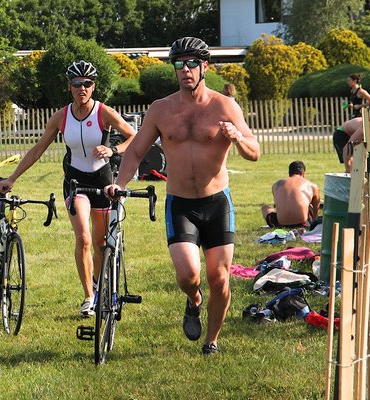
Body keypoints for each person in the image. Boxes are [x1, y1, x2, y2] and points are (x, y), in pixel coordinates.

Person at [104, 37, 260, 356]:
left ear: (204, 66)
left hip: (217, 203)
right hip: (181, 205)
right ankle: (193, 300)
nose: (185, 69)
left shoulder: (224, 106)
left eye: (191, 63)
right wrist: (119, 183)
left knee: (219, 278)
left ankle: (211, 341)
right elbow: (135, 152)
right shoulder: (161, 109)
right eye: (179, 64)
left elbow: (254, 152)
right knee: (189, 275)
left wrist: (238, 139)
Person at [0, 60, 136, 317]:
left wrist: (113, 149)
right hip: (75, 183)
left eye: (87, 84)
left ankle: (99, 284)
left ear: (93, 87)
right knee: (83, 237)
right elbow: (38, 150)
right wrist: (12, 178)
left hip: (103, 181)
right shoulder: (61, 116)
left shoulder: (103, 112)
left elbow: (133, 136)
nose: (82, 88)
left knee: (101, 243)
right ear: (69, 87)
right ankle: (89, 296)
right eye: (76, 84)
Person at [333, 74, 370, 172]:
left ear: (355, 81)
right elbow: (349, 145)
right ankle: (349, 173)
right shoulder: (351, 92)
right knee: (350, 157)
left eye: (349, 81)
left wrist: (359, 106)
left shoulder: (361, 91)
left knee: (356, 153)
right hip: (345, 130)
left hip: (359, 116)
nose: (348, 83)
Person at [261, 161, 320, 228]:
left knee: (265, 207)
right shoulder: (312, 185)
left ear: (289, 173)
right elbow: (316, 209)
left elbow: (278, 205)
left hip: (281, 223)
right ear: (303, 173)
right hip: (303, 223)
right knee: (310, 206)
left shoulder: (277, 185)